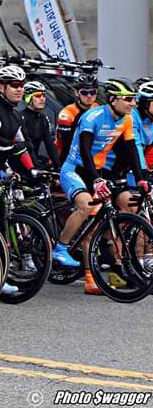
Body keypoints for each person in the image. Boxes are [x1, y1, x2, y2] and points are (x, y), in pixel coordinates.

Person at [58, 78, 145, 295]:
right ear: (113, 99)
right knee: (86, 205)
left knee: (121, 208)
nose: (133, 104)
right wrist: (96, 180)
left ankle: (105, 252)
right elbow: (85, 151)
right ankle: (61, 247)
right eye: (128, 99)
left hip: (98, 172)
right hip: (75, 169)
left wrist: (141, 178)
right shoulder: (92, 116)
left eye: (134, 99)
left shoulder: (126, 119)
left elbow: (131, 149)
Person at [56, 74, 98, 163]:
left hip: (91, 158)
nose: (89, 96)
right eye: (84, 92)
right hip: (67, 157)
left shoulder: (97, 108)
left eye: (93, 92)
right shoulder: (67, 114)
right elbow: (67, 145)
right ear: (76, 93)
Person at [19, 81, 60, 170]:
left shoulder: (43, 118)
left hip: (35, 161)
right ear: (28, 98)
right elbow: (26, 146)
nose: (42, 99)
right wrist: (36, 166)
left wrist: (58, 166)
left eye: (44, 95)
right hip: (21, 163)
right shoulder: (21, 118)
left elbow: (49, 144)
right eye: (37, 96)